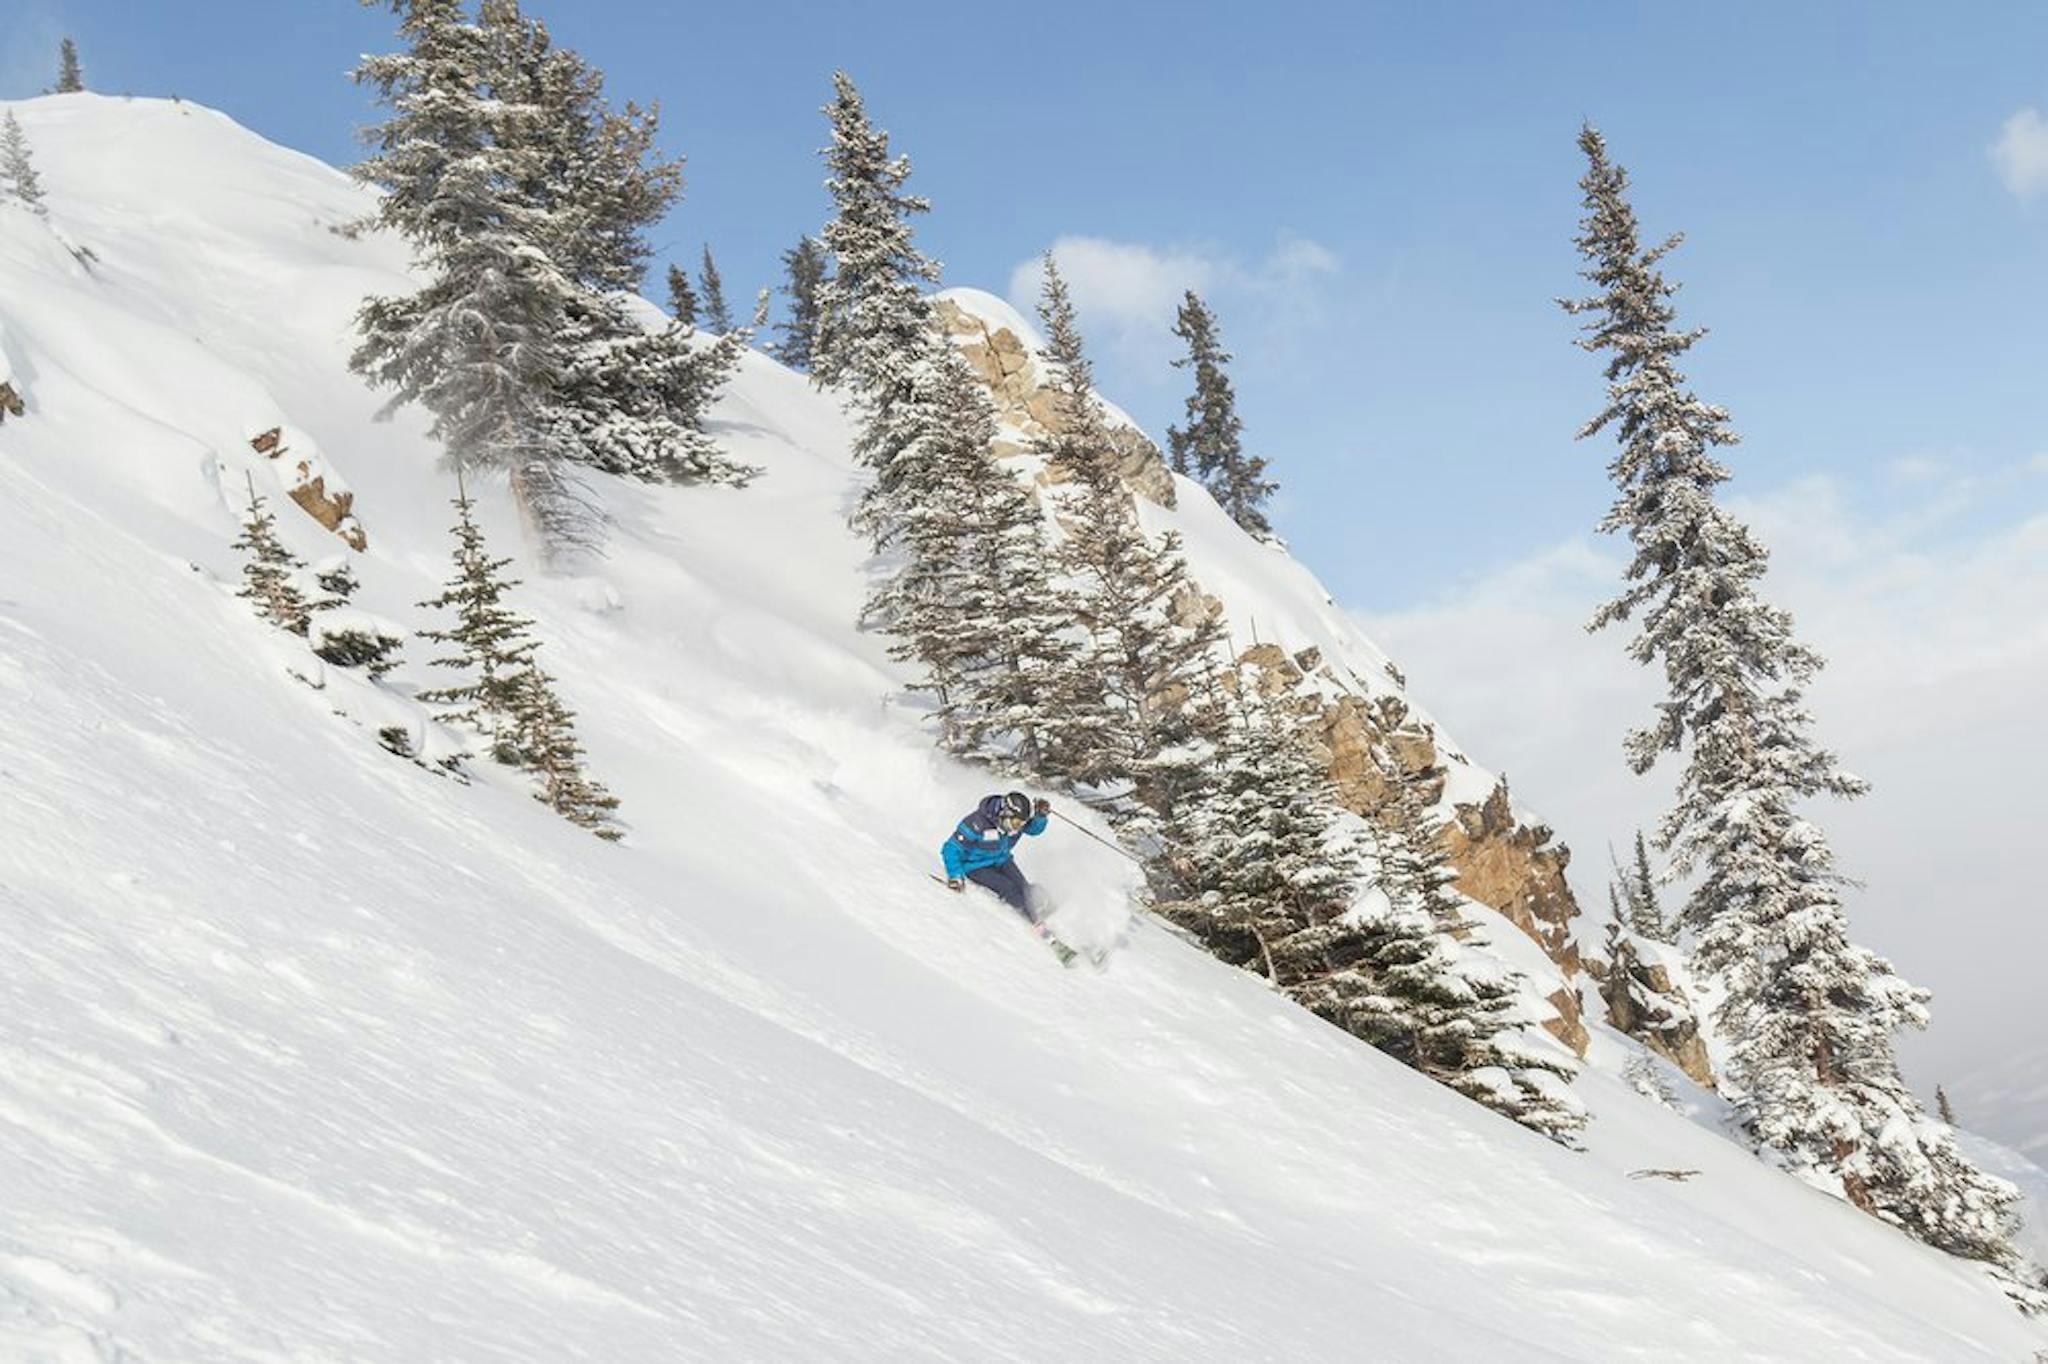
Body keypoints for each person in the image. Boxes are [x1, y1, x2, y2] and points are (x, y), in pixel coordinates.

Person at [940, 791, 1052, 923]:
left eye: (1022, 823)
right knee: (1008, 887)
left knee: (1025, 888)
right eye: (1016, 823)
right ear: (1005, 813)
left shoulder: (1014, 821)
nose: (1018, 828)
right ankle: (1033, 920)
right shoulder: (977, 823)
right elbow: (950, 848)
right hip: (975, 866)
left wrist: (1040, 816)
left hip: (1001, 859)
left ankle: (1047, 911)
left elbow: (1034, 830)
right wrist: (955, 875)